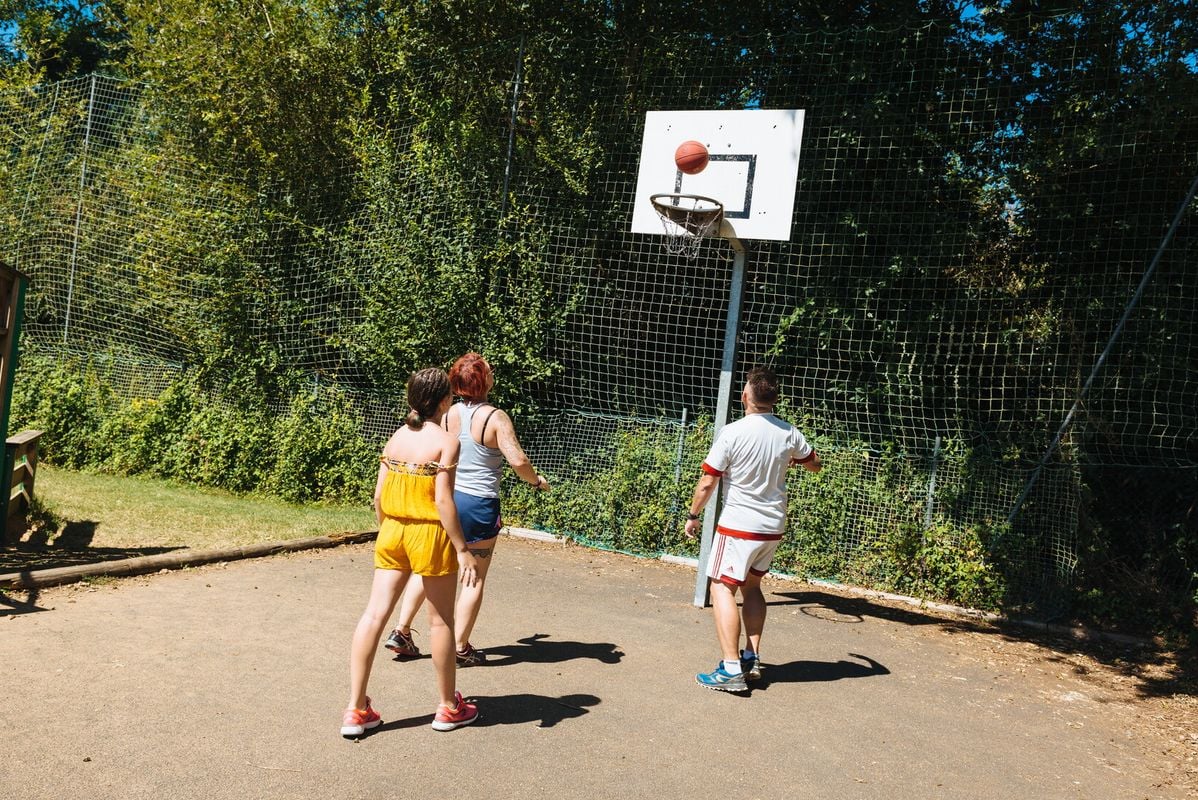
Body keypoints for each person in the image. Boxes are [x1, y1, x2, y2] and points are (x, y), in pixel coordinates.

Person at [383, 352, 549, 666]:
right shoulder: (495, 417)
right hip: (478, 506)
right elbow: (518, 461)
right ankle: (460, 648)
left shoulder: (446, 413)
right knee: (474, 576)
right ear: (483, 380)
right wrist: (536, 481)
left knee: (429, 567)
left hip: (443, 498)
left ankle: (401, 631)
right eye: (490, 369)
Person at [342, 367, 481, 737]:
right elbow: (443, 501)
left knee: (374, 615)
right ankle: (449, 707)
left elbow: (378, 496)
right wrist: (462, 549)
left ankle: (356, 709)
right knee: (440, 622)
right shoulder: (447, 441)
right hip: (429, 535)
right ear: (445, 401)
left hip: (392, 530)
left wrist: (388, 527)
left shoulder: (396, 437)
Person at [683, 366, 822, 692]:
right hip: (772, 526)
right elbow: (815, 464)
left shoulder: (732, 432)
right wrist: (794, 460)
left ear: (746, 395)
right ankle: (750, 657)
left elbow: (707, 481)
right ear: (774, 399)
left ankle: (731, 668)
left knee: (720, 587)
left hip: (739, 526)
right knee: (752, 587)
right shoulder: (789, 432)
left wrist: (692, 514)